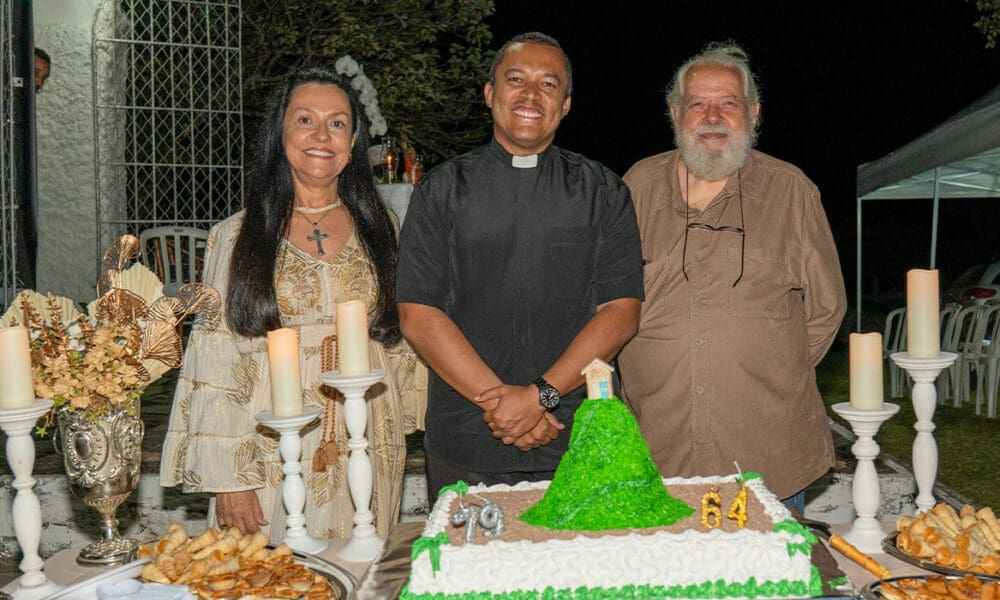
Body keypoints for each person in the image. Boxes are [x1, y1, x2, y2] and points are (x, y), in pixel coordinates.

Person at [160, 65, 425, 538]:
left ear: (353, 142)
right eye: (305, 120)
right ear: (280, 133)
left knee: (363, 559)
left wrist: (410, 411)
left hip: (368, 433)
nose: (322, 135)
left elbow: (398, 331)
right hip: (268, 440)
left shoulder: (381, 226)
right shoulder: (237, 236)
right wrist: (228, 479)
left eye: (337, 123)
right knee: (273, 568)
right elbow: (215, 354)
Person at [396, 32, 644, 504]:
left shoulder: (603, 192)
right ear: (490, 94)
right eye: (516, 80)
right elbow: (419, 314)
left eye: (548, 84)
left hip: (575, 436)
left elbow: (620, 313)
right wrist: (504, 404)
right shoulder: (440, 191)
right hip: (467, 437)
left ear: (565, 105)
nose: (531, 94)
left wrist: (538, 398)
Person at [616, 42, 847, 510]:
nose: (712, 117)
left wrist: (773, 368)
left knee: (770, 563)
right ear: (675, 113)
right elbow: (606, 302)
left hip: (768, 454)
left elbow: (827, 308)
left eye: (728, 103)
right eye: (697, 104)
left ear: (754, 113)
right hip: (656, 452)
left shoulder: (792, 192)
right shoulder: (635, 188)